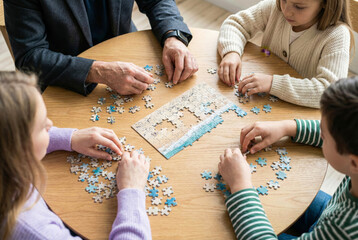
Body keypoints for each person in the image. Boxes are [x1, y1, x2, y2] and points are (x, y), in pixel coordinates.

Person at [0, 72, 151, 240]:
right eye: (43, 125)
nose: (51, 124)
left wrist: (68, 138)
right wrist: (132, 190)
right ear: (19, 146)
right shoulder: (35, 230)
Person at [218, 75, 358, 239]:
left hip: (334, 227)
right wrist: (287, 127)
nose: (321, 135)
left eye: (324, 136)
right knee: (288, 198)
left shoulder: (345, 228)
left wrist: (240, 185)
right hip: (332, 209)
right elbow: (338, 134)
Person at [4, 0, 198, 96]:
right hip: (67, 81)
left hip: (126, 51)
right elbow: (30, 56)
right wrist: (98, 71)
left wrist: (174, 36)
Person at [217, 0, 354, 108]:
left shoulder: (337, 35)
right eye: (283, 0)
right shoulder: (274, 8)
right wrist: (231, 52)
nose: (286, 11)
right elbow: (235, 24)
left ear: (325, 3)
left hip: (298, 118)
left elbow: (329, 92)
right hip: (260, 103)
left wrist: (273, 83)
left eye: (299, 7)